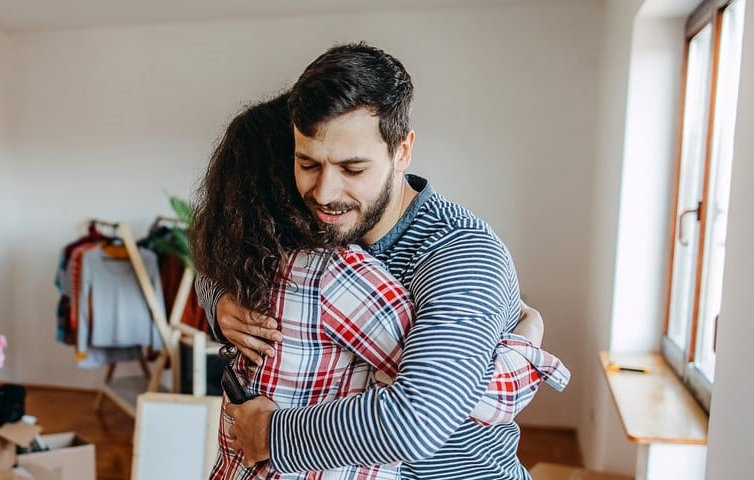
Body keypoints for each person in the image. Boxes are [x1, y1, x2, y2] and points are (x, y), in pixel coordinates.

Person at [197, 43, 568, 479]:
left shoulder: (461, 255)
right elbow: (222, 249)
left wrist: (270, 435)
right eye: (308, 164)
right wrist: (220, 300)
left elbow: (418, 419)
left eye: (353, 169)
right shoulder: (314, 231)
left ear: (402, 151)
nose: (325, 193)